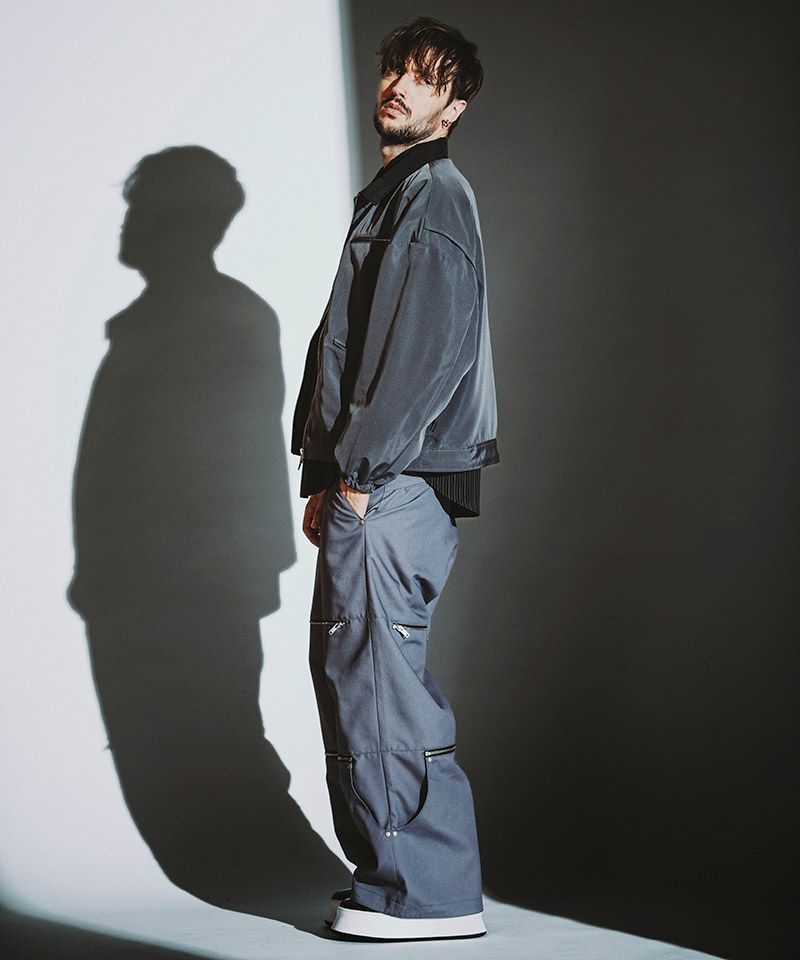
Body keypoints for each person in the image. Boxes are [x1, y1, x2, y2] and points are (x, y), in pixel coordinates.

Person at [290, 16, 500, 941]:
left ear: (452, 108)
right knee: (357, 677)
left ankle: (428, 895)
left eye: (425, 78)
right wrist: (326, 473)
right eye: (394, 70)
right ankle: (392, 881)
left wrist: (360, 474)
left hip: (392, 484)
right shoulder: (395, 194)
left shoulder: (433, 195)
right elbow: (352, 348)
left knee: (380, 686)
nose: (399, 85)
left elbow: (423, 352)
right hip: (374, 481)